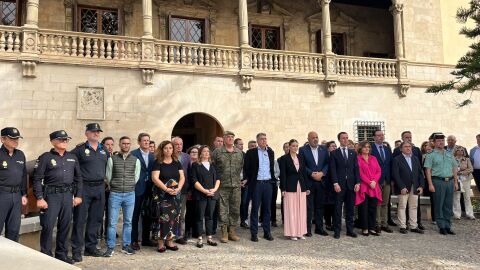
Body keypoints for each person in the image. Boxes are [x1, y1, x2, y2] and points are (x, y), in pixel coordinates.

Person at [33, 130, 83, 264]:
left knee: (65, 225)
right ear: (53, 141)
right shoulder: (45, 157)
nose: (65, 142)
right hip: (51, 195)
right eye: (61, 139)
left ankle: (61, 254)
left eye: (66, 140)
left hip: (67, 195)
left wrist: (78, 195)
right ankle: (46, 255)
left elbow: (78, 178)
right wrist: (39, 197)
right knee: (48, 226)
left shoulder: (72, 157)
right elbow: (37, 179)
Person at [71, 123, 109, 261]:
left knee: (96, 219)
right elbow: (70, 166)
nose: (96, 133)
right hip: (84, 188)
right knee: (80, 220)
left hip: (100, 188)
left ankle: (90, 248)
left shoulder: (104, 149)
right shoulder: (79, 150)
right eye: (93, 131)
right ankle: (76, 250)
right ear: (86, 133)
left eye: (98, 131)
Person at [103, 136, 141, 257]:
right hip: (115, 194)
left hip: (130, 194)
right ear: (120, 145)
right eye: (123, 143)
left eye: (128, 143)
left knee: (128, 222)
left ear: (130, 145)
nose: (126, 145)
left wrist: (129, 185)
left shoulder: (136, 160)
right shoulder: (112, 159)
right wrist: (114, 185)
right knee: (112, 222)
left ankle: (126, 245)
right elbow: (108, 176)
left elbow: (136, 177)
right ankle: (110, 247)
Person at [151, 140, 185, 252]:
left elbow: (182, 177)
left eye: (170, 148)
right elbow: (155, 178)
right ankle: (161, 243)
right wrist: (166, 189)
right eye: (166, 148)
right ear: (162, 149)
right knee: (163, 219)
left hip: (175, 195)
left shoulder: (176, 162)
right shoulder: (158, 162)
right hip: (162, 195)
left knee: (175, 218)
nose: (168, 150)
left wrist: (179, 188)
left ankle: (170, 242)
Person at [212, 131, 243, 243]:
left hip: (235, 185)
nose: (230, 139)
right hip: (222, 185)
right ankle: (224, 232)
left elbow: (241, 167)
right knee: (223, 210)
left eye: (231, 137)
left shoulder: (239, 152)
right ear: (224, 139)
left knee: (235, 209)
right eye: (227, 137)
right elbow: (213, 167)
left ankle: (232, 231)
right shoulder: (217, 152)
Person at [424, 133, 459, 235]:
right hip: (438, 181)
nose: (441, 142)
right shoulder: (430, 155)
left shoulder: (449, 154)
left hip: (450, 181)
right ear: (434, 143)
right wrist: (430, 184)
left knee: (448, 205)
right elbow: (428, 171)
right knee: (439, 204)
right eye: (438, 141)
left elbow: (454, 168)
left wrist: (456, 182)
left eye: (442, 141)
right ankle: (441, 226)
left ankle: (448, 226)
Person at [244, 133, 275, 242]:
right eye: (261, 139)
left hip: (268, 183)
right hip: (256, 184)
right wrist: (247, 179)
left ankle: (267, 232)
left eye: (265, 139)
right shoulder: (251, 153)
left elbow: (271, 167)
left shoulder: (270, 152)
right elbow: (246, 168)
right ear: (257, 141)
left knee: (267, 209)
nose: (264, 140)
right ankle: (254, 233)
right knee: (255, 209)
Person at [329, 132, 360, 239]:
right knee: (338, 208)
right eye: (343, 138)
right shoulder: (334, 153)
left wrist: (357, 182)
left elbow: (356, 169)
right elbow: (332, 169)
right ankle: (337, 230)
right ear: (339, 140)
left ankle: (349, 230)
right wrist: (335, 183)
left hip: (351, 185)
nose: (345, 140)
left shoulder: (353, 153)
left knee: (350, 208)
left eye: (347, 138)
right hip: (339, 185)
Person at [299, 131, 329, 237]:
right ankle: (307, 229)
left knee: (320, 206)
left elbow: (327, 164)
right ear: (308, 139)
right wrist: (311, 173)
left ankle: (319, 228)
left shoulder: (323, 149)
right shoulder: (303, 150)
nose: (315, 139)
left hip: (321, 182)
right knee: (309, 207)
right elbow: (302, 165)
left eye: (317, 137)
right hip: (309, 182)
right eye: (313, 138)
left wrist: (322, 173)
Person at [0, 127, 27, 242]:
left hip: (16, 195)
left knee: (14, 229)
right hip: (2, 194)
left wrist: (23, 194)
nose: (16, 141)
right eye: (12, 138)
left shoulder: (20, 155)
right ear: (2, 139)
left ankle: (10, 258)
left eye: (17, 138)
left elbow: (23, 175)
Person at [391, 141, 425, 234]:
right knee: (402, 206)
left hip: (415, 186)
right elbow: (396, 175)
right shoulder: (397, 159)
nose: (408, 148)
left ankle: (414, 226)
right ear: (401, 148)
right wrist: (402, 186)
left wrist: (421, 186)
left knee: (414, 206)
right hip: (403, 187)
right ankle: (402, 226)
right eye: (405, 146)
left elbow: (420, 174)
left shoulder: (415, 159)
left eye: (409, 146)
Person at [191, 146, 220, 248]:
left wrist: (214, 189)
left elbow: (218, 179)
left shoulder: (213, 165)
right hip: (200, 195)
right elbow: (194, 181)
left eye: (208, 151)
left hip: (212, 194)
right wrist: (204, 191)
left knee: (210, 217)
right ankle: (199, 238)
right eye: (204, 151)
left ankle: (209, 238)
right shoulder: (195, 165)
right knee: (199, 216)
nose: (207, 153)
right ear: (200, 153)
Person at [130, 133, 156, 250]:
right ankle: (134, 240)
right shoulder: (133, 154)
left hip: (150, 188)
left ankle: (146, 239)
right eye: (144, 140)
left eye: (148, 140)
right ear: (139, 142)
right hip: (137, 188)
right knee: (134, 215)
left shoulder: (153, 156)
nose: (146, 142)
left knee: (148, 215)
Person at [279, 139, 308, 240]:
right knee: (291, 210)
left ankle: (300, 232)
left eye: (296, 146)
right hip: (289, 187)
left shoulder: (301, 157)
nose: (295, 148)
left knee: (301, 209)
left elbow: (304, 173)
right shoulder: (284, 159)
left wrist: (306, 187)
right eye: (293, 146)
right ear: (289, 147)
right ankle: (292, 233)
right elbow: (283, 175)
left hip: (301, 186)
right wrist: (283, 189)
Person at [355, 141, 382, 236]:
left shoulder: (374, 158)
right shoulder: (357, 159)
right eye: (365, 147)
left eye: (368, 147)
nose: (367, 148)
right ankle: (365, 228)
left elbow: (379, 171)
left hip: (374, 186)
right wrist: (369, 182)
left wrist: (374, 181)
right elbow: (359, 173)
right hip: (364, 186)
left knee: (372, 207)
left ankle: (372, 227)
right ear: (361, 148)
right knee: (363, 208)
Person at [370, 130, 393, 234]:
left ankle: (385, 223)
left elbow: (390, 164)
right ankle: (377, 223)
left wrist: (391, 179)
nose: (380, 137)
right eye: (378, 135)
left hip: (387, 179)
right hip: (376, 180)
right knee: (377, 203)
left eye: (382, 135)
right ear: (374, 137)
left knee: (385, 203)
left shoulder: (387, 149)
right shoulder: (371, 148)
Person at [172, 137, 191, 245]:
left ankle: (180, 235)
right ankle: (169, 234)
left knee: (181, 214)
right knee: (170, 214)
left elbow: (189, 173)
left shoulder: (187, 157)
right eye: (177, 144)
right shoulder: (168, 156)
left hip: (183, 190)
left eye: (181, 144)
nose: (179, 146)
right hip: (169, 189)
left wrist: (189, 189)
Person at [98, 137, 114, 240]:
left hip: (112, 189)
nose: (110, 147)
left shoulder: (115, 157)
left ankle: (109, 233)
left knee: (111, 212)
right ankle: (99, 232)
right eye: (107, 144)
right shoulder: (100, 156)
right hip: (102, 188)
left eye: (112, 144)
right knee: (99, 211)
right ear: (103, 145)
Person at [453, 146, 475, 220]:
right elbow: (450, 168)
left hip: (466, 180)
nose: (460, 151)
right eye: (458, 150)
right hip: (456, 180)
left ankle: (470, 214)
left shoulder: (467, 159)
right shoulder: (452, 159)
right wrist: (455, 173)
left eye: (462, 150)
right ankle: (457, 214)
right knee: (456, 197)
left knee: (467, 197)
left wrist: (462, 172)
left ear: (464, 151)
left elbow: (471, 169)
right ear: (455, 151)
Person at [324, 141, 337, 231]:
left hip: (336, 184)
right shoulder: (325, 157)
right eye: (332, 146)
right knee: (327, 205)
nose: (334, 148)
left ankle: (335, 222)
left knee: (335, 205)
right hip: (326, 184)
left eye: (335, 146)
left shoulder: (338, 156)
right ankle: (328, 222)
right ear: (328, 148)